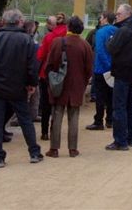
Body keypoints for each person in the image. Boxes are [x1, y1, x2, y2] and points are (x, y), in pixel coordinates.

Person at [0, 9, 43, 169]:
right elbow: (32, 66)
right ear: (20, 21)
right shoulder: (27, 40)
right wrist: (31, 84)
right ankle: (34, 152)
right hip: (18, 86)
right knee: (25, 120)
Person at [45, 16, 94, 158]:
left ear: (68, 27)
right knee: (74, 117)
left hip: (60, 85)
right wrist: (83, 82)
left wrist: (52, 79)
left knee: (57, 115)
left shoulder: (57, 42)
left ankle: (54, 148)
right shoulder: (85, 45)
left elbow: (50, 64)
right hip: (77, 85)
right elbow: (89, 68)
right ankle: (73, 149)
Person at [105, 3, 132, 151]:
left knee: (119, 107)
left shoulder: (123, 31)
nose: (116, 16)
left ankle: (120, 141)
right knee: (130, 106)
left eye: (119, 14)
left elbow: (111, 48)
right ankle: (131, 138)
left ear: (127, 14)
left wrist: (109, 40)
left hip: (122, 73)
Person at [37, 13, 67, 140]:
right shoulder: (67, 37)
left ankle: (44, 131)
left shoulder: (49, 37)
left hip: (47, 73)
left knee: (46, 104)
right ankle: (55, 130)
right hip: (63, 74)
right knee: (58, 103)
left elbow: (40, 56)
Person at [87, 11, 117, 131]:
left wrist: (106, 65)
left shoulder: (100, 32)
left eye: (101, 17)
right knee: (111, 95)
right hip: (114, 68)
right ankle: (110, 120)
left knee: (100, 96)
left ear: (105, 19)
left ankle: (98, 120)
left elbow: (100, 50)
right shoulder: (117, 31)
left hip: (101, 68)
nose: (100, 20)